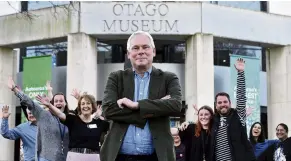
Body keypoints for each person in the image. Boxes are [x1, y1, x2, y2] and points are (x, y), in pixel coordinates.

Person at [100, 30, 182, 161]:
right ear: (128, 54)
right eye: (135, 48)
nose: (141, 51)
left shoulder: (168, 78)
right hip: (119, 156)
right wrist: (156, 107)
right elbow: (108, 110)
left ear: (153, 51)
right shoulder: (116, 77)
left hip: (156, 157)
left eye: (145, 47)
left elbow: (176, 105)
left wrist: (137, 105)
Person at [7, 77, 70, 161]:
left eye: (61, 101)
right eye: (56, 101)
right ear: (53, 104)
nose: (58, 103)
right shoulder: (45, 115)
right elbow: (30, 103)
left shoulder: (70, 119)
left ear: (65, 103)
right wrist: (15, 90)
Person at [36, 93, 109, 161]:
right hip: (75, 156)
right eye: (82, 104)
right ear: (79, 107)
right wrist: (49, 105)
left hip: (93, 157)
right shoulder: (73, 119)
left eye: (88, 103)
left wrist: (100, 115)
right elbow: (60, 114)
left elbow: (112, 125)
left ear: (93, 106)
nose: (85, 106)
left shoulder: (99, 123)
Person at [209, 58, 256, 161]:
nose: (223, 104)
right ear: (216, 105)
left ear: (230, 103)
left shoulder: (238, 115)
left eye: (225, 102)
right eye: (219, 103)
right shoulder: (213, 120)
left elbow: (241, 96)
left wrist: (240, 73)